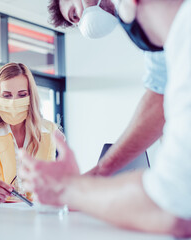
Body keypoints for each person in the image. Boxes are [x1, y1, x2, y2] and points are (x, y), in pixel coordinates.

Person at [20, 0, 191, 237]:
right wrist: (99, 173)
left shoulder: (182, 35)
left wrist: (66, 187)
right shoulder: (174, 42)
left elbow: (173, 208)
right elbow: (158, 92)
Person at [49, 0, 166, 176]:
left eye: (75, 12)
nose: (82, 19)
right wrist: (99, 173)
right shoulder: (139, 30)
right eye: (75, 19)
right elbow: (159, 94)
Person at [0, 62, 65, 203]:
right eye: (7, 96)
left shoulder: (48, 131)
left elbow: (47, 183)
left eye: (22, 95)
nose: (14, 102)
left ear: (31, 97)